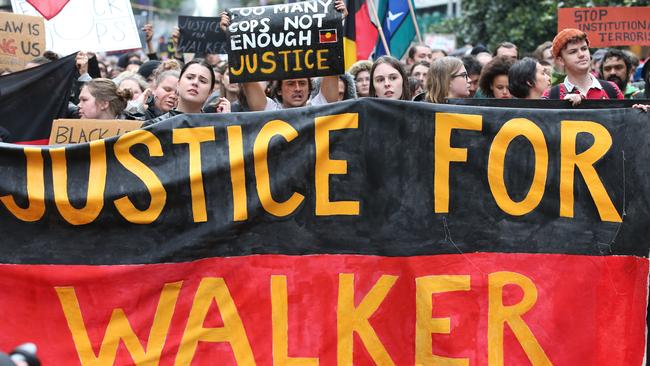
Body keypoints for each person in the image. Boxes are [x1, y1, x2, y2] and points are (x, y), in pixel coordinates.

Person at [543, 29, 623, 104]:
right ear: (561, 60)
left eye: (584, 49)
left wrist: (634, 111)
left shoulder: (611, 89)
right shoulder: (551, 95)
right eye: (573, 52)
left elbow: (624, 116)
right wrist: (562, 106)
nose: (581, 55)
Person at [145, 59, 229, 125]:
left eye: (203, 81)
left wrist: (227, 122)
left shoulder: (216, 127)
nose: (195, 83)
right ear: (178, 84)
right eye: (189, 77)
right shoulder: (154, 126)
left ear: (210, 91)